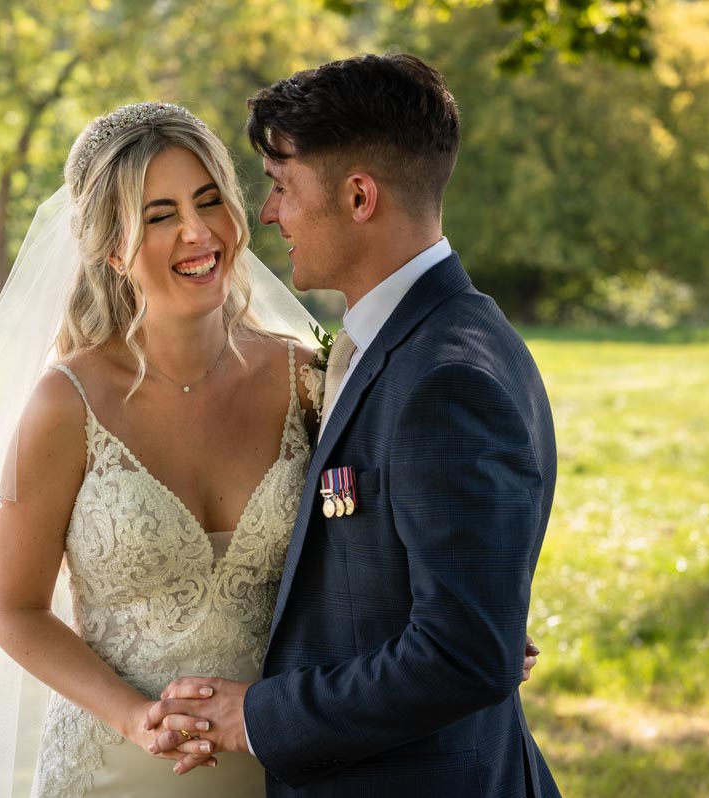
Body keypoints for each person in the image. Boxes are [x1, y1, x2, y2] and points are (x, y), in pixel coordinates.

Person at [0, 99, 539, 798]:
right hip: (120, 768)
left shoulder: (307, 378)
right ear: (112, 246)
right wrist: (133, 716)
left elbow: (379, 528)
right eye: (160, 214)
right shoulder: (64, 404)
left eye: (209, 201)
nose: (198, 233)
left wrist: (472, 617)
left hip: (289, 761)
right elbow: (14, 609)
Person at [146, 54, 561, 797]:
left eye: (281, 187)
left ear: (359, 196)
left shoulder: (446, 379)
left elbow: (465, 654)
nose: (269, 214)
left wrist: (259, 717)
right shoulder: (425, 337)